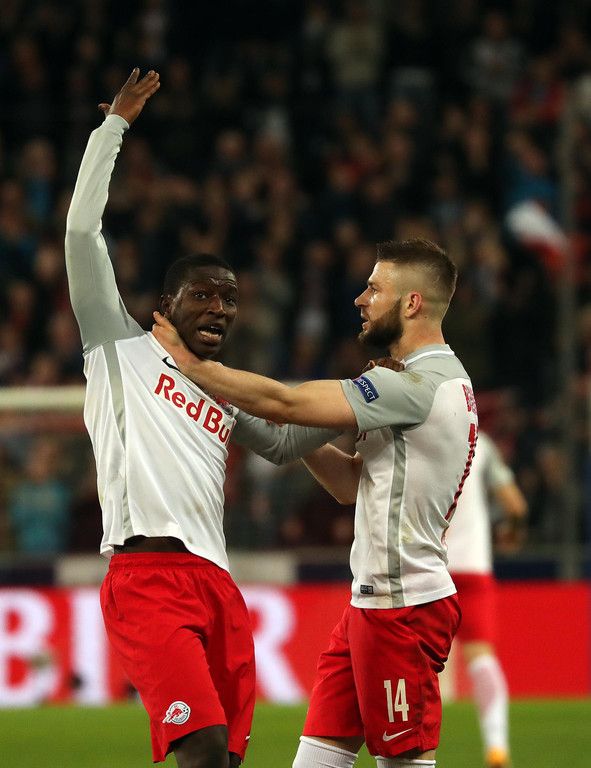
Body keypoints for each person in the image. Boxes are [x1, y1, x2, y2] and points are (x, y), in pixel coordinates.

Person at [65, 68, 340, 768]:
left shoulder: (219, 392)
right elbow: (80, 231)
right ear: (167, 304)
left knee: (227, 760)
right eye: (204, 295)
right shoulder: (117, 346)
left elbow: (283, 442)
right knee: (206, 753)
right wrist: (114, 127)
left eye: (230, 298)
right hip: (147, 578)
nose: (220, 307)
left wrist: (367, 403)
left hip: (218, 582)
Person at [152, 237, 479, 768]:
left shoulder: (417, 385)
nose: (360, 299)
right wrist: (231, 405)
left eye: (374, 289)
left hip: (402, 608)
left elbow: (286, 402)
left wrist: (190, 364)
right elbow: (346, 480)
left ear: (412, 303)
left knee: (405, 762)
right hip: (371, 605)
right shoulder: (428, 380)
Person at [445, 430, 527, 768]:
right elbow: (515, 505)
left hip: (427, 568)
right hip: (473, 567)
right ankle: (497, 748)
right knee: (481, 659)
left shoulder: (410, 428)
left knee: (413, 663)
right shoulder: (481, 443)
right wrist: (512, 532)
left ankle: (407, 750)